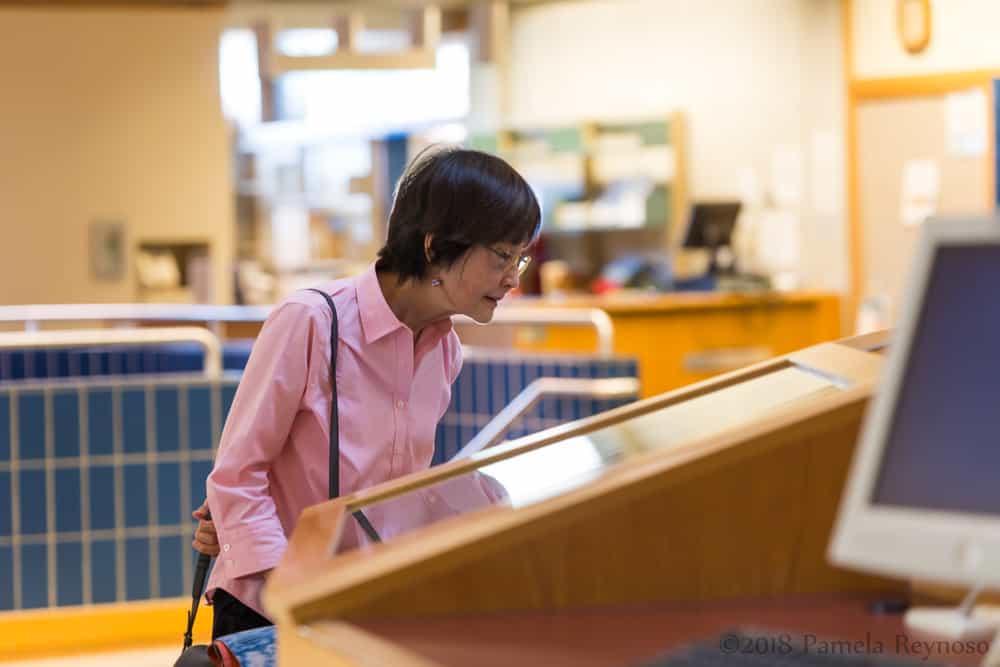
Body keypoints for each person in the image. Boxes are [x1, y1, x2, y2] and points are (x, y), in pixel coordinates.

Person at [190, 146, 541, 639]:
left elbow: (397, 497)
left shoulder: (444, 351)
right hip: (271, 610)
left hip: (361, 607)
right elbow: (236, 477)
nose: (513, 279)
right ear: (435, 246)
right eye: (502, 256)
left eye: (520, 258)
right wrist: (295, 593)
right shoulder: (311, 321)